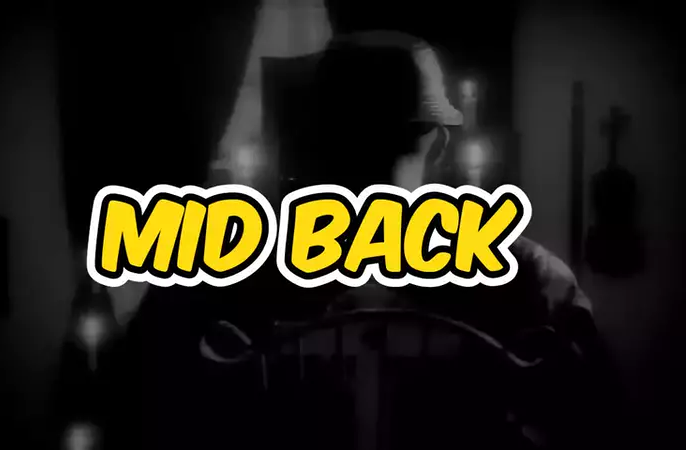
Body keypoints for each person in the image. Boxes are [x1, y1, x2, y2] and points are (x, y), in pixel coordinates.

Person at [57, 31, 615, 450]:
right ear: (440, 147)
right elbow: (599, 421)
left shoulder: (209, 275)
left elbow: (132, 414)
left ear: (304, 147)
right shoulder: (529, 278)